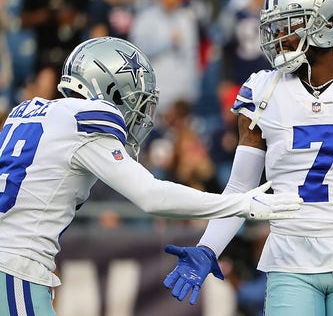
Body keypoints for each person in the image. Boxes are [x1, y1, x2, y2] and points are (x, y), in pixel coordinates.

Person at [162, 0, 333, 315]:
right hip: (290, 258)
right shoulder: (261, 91)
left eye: (290, 22)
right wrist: (208, 247)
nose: (279, 34)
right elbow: (239, 191)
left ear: (328, 23)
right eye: (275, 24)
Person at [0, 36, 302, 315]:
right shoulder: (84, 122)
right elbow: (152, 196)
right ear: (110, 88)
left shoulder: (29, 111)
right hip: (15, 266)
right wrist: (241, 204)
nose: (138, 112)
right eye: (134, 99)